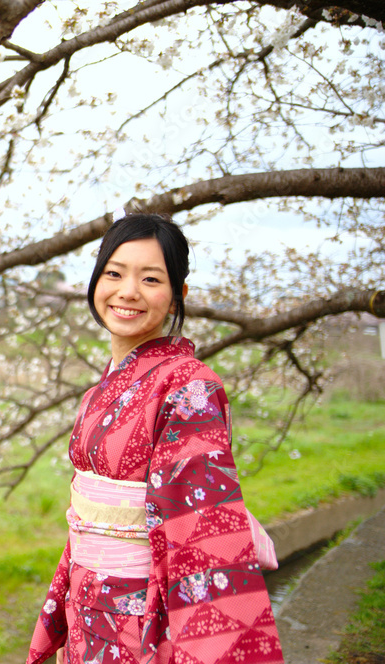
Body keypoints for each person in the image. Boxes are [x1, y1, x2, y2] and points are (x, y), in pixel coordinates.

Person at [26, 213, 282, 664]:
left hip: (143, 615)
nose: (128, 292)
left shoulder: (189, 386)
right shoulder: (99, 390)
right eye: (114, 273)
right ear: (95, 281)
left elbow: (200, 528)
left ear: (178, 294)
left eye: (150, 278)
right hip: (88, 602)